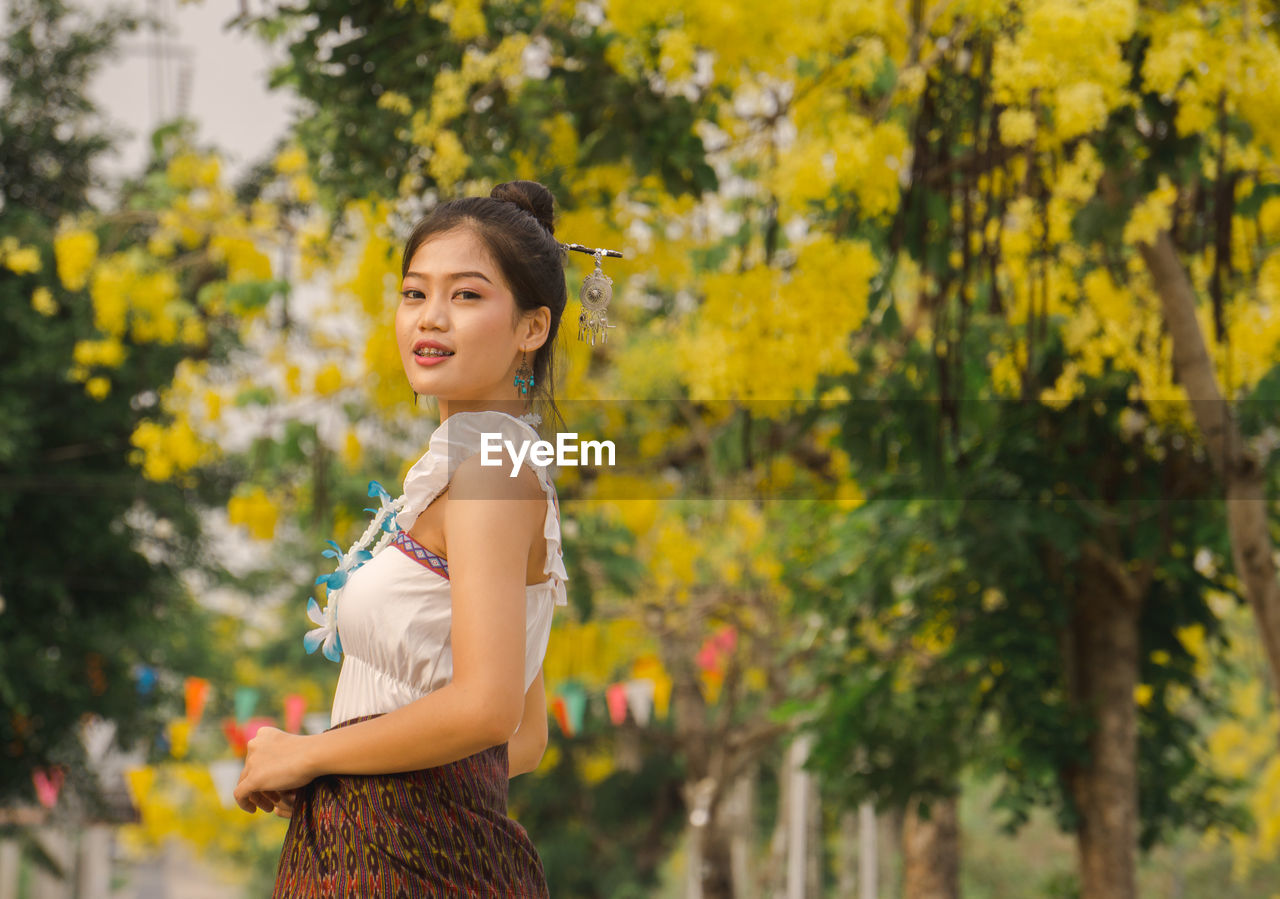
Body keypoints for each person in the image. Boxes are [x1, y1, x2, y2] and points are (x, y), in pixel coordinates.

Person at [232, 180, 574, 898]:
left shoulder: (490, 470)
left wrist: (312, 753)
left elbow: (488, 709)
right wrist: (341, 768)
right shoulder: (472, 465)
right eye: (415, 293)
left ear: (531, 328)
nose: (432, 318)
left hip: (406, 855)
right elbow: (526, 735)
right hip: (383, 838)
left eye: (468, 295)